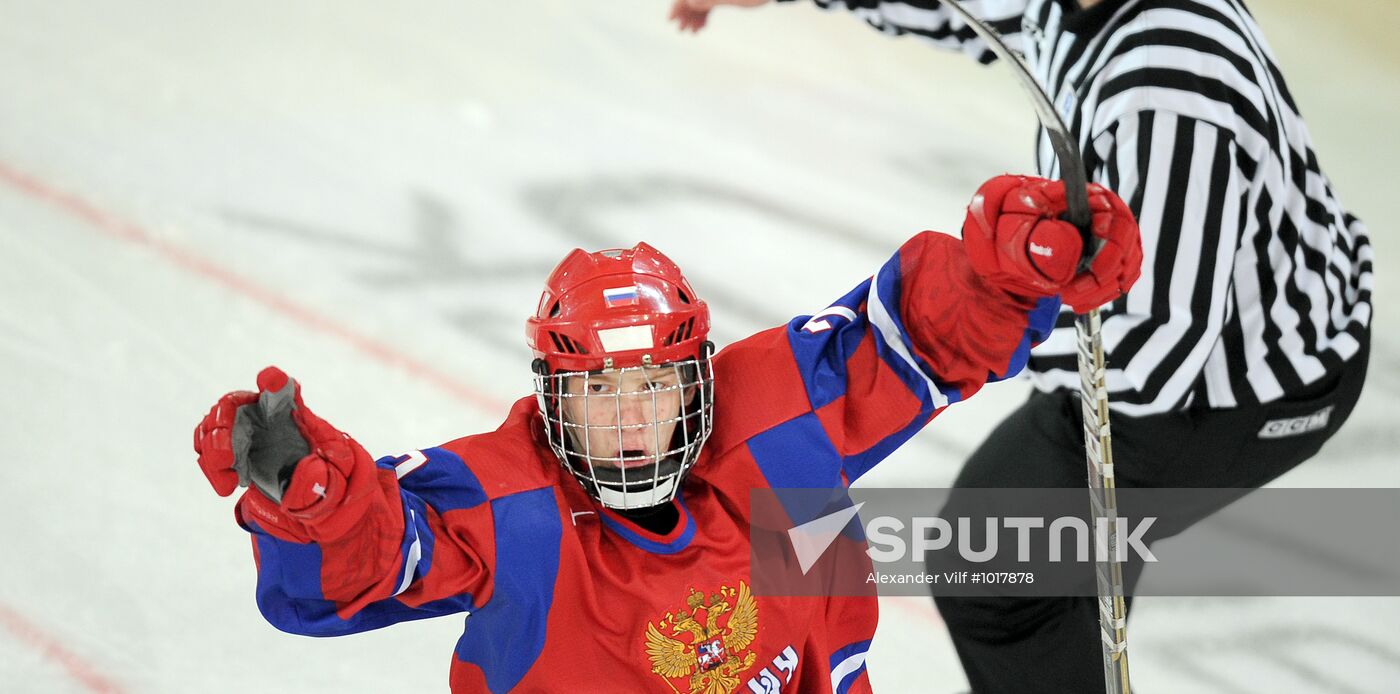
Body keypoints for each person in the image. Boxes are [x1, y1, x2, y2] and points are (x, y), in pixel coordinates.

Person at [668, 0, 1373, 691]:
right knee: (1045, 566)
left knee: (986, 568)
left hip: (1245, 389)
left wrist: (956, 343)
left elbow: (1160, 354)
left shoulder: (1169, 93)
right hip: (1166, 344)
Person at [194, 174, 1141, 693]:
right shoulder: (512, 504)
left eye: (654, 385)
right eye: (600, 392)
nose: (632, 420)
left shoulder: (773, 423)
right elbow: (376, 561)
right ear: (551, 398)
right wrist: (318, 506)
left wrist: (1005, 281)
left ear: (698, 378)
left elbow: (912, 341)